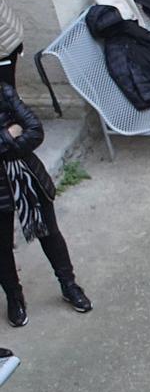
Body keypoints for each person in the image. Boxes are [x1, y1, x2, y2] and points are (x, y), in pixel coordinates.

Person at [0, 81, 90, 328]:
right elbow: (21, 130)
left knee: (50, 233)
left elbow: (35, 130)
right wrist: (8, 134)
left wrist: (7, 146)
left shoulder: (4, 92)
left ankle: (68, 285)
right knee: (2, 248)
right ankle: (14, 297)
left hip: (27, 175)